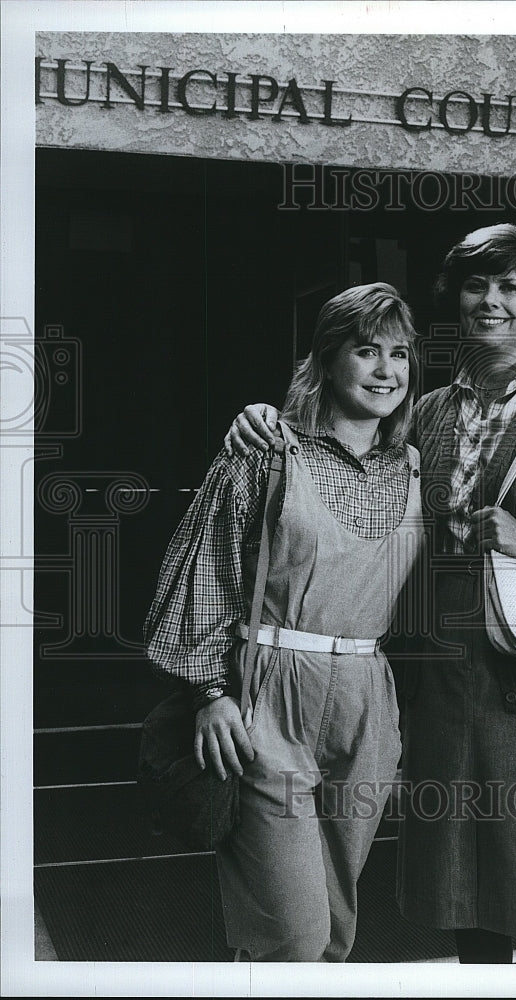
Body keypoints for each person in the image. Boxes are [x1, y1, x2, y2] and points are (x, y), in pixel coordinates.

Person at [223, 223, 516, 965]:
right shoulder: (424, 411)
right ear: (456, 300)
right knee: (463, 897)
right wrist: (262, 417)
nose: (491, 300)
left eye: (510, 287)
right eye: (477, 285)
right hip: (442, 680)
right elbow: (339, 450)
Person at [144, 282, 424, 962]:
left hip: (366, 701)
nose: (387, 370)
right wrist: (209, 693)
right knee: (289, 935)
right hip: (268, 693)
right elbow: (203, 570)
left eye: (400, 354)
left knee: (334, 927)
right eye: (366, 352)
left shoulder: (415, 464)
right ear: (327, 361)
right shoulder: (265, 451)